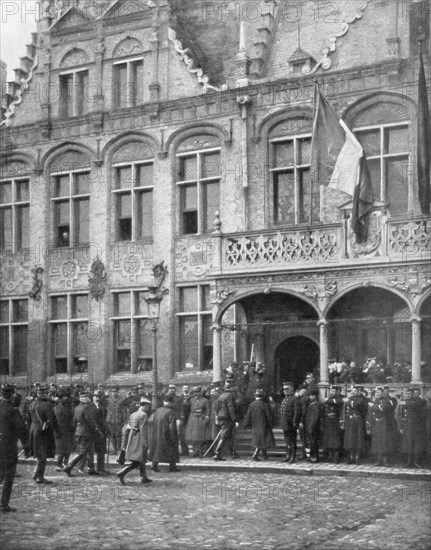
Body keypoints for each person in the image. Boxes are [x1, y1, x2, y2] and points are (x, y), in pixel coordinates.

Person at [0, 384, 30, 513]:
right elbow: (21, 429)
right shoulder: (12, 410)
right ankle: (4, 505)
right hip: (8, 446)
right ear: (12, 394)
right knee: (9, 475)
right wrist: (27, 447)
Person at [63, 390, 105, 477]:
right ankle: (69, 467)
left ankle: (91, 468)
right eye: (87, 397)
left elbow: (74, 421)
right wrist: (98, 431)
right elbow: (91, 421)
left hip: (79, 431)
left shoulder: (77, 408)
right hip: (86, 433)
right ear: (84, 399)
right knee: (81, 452)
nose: (89, 399)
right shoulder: (87, 408)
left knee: (90, 451)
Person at [116, 397, 152, 484]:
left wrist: (125, 443)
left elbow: (128, 428)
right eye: (147, 406)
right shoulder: (143, 415)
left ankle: (143, 477)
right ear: (144, 406)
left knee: (141, 458)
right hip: (139, 438)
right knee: (138, 460)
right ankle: (122, 472)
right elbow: (143, 430)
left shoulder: (133, 414)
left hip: (132, 437)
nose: (148, 408)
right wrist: (145, 443)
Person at [29, 385, 60, 483]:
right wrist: (58, 432)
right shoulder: (47, 405)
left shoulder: (32, 404)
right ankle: (39, 477)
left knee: (39, 454)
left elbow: (28, 419)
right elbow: (52, 420)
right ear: (44, 394)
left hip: (33, 429)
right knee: (43, 455)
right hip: (43, 431)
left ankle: (36, 475)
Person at [149, 394, 180, 472]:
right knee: (172, 449)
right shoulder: (170, 412)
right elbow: (172, 427)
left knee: (157, 449)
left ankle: (154, 465)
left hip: (157, 434)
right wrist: (174, 437)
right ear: (171, 402)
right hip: (166, 435)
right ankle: (173, 467)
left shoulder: (158, 410)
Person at [243, 388, 275, 461]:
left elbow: (248, 416)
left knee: (260, 440)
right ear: (262, 396)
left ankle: (265, 454)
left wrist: (245, 425)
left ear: (255, 396)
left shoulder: (251, 405)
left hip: (255, 426)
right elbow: (269, 416)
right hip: (264, 426)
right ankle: (255, 455)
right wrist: (271, 424)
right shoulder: (265, 405)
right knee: (262, 441)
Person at [400, 386, 426, 468]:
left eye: (410, 393)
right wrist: (402, 427)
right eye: (407, 393)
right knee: (409, 444)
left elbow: (420, 411)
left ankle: (416, 462)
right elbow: (402, 415)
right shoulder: (405, 402)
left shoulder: (420, 401)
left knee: (417, 445)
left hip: (417, 426)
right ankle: (409, 462)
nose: (409, 395)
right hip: (408, 426)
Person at [212, 379, 237, 461]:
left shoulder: (221, 395)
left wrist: (217, 416)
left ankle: (234, 452)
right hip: (227, 418)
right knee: (224, 435)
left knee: (229, 435)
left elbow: (215, 407)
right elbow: (231, 409)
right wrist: (234, 420)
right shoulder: (230, 396)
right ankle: (217, 453)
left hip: (221, 417)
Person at [367, 386, 392, 467]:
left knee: (384, 442)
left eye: (379, 392)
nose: (377, 394)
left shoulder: (386, 401)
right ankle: (378, 460)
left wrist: (372, 406)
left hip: (383, 424)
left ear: (382, 393)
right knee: (377, 442)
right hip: (375, 424)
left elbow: (382, 408)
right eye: (376, 392)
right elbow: (369, 415)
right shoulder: (374, 401)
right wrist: (369, 426)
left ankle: (385, 460)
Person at [341, 386, 367, 464]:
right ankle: (351, 457)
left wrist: (347, 401)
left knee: (357, 440)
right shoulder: (348, 400)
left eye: (354, 391)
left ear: (358, 392)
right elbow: (344, 412)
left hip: (357, 422)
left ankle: (357, 458)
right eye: (351, 391)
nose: (352, 392)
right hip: (349, 422)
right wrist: (342, 422)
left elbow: (355, 405)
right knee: (349, 440)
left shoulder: (360, 399)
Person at [185, 387, 210, 458]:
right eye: (195, 392)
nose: (196, 394)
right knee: (191, 435)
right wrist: (189, 395)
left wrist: (207, 416)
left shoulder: (205, 400)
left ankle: (200, 452)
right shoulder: (191, 400)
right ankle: (192, 453)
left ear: (200, 392)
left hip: (200, 419)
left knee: (199, 435)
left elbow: (208, 409)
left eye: (198, 392)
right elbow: (185, 404)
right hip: (192, 418)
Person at [54, 388, 75, 471]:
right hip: (61, 430)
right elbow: (59, 420)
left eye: (66, 397)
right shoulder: (57, 408)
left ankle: (65, 464)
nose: (65, 398)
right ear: (60, 398)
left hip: (68, 430)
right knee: (61, 449)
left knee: (68, 448)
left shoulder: (67, 406)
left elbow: (70, 417)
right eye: (63, 397)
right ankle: (59, 465)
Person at [90, 389, 110, 475]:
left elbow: (103, 420)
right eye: (95, 396)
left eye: (98, 397)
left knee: (101, 450)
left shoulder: (102, 407)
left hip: (101, 432)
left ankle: (100, 468)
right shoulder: (90, 407)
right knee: (91, 451)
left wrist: (107, 429)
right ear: (93, 397)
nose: (96, 398)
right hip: (92, 432)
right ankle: (91, 468)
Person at [322, 385, 344, 463]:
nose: (332, 392)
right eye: (331, 391)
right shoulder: (329, 399)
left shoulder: (339, 399)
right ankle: (330, 456)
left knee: (335, 441)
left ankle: (336, 457)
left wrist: (326, 400)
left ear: (338, 391)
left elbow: (336, 403)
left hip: (335, 422)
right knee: (328, 440)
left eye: (333, 391)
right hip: (328, 423)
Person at [279, 382, 300, 463]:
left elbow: (296, 412)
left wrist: (295, 422)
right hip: (285, 423)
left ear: (291, 389)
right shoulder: (285, 399)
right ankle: (288, 455)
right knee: (287, 440)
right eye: (284, 389)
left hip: (291, 423)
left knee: (292, 440)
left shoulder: (294, 399)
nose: (284, 391)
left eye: (286, 389)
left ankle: (293, 456)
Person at [304, 389, 323, 463]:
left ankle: (314, 456)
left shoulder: (316, 404)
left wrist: (311, 427)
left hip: (313, 426)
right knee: (311, 442)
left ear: (315, 396)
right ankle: (312, 456)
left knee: (313, 442)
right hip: (309, 425)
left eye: (311, 395)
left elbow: (315, 417)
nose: (310, 397)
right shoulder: (311, 404)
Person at [106, 386, 125, 456]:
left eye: (115, 391)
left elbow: (124, 411)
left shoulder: (121, 400)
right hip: (110, 420)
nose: (114, 393)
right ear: (111, 392)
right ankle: (114, 449)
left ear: (118, 392)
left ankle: (119, 449)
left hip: (118, 420)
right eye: (113, 392)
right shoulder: (108, 400)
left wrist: (124, 421)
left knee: (118, 435)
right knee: (112, 435)